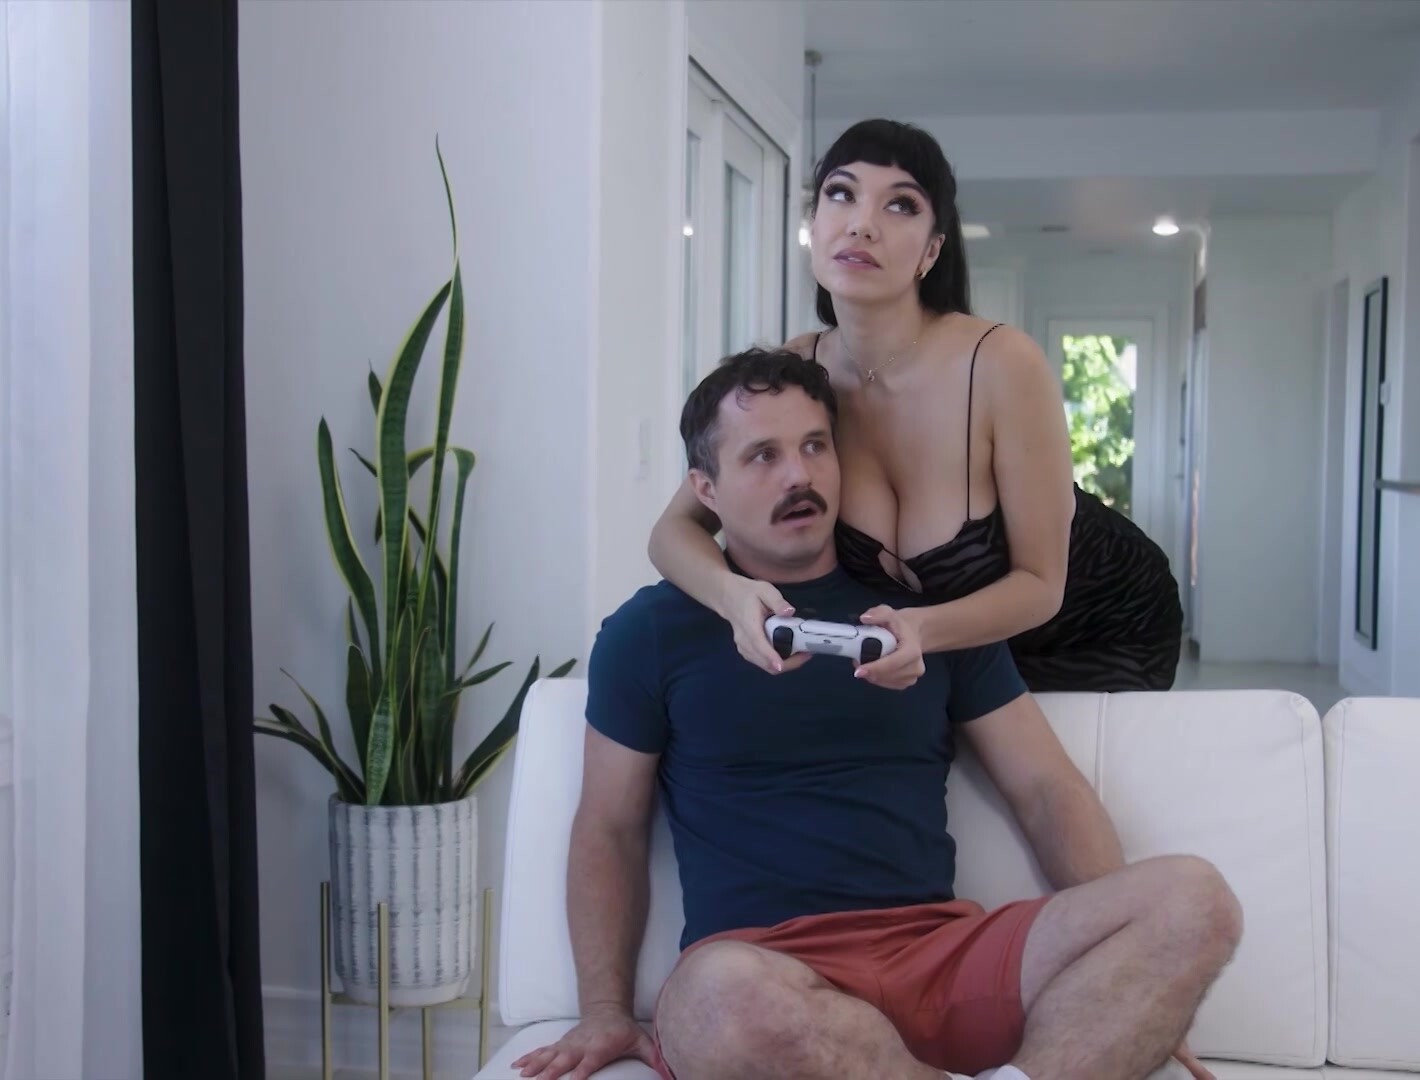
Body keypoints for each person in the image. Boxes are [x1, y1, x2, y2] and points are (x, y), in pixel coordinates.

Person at [514, 350, 1239, 1080]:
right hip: (766, 977)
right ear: (706, 488)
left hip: (943, 957)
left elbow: (1045, 788)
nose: (798, 476)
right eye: (763, 455)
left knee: (1193, 899)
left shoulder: (926, 620)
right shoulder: (650, 633)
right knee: (710, 1001)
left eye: (815, 447)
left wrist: (1123, 974)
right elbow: (607, 827)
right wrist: (603, 1009)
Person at [648, 118, 1183, 694]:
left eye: (900, 205)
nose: (862, 223)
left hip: (1101, 626)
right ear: (813, 225)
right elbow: (673, 531)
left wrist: (919, 630)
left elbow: (1040, 584)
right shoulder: (795, 374)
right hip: (944, 646)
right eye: (841, 194)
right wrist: (732, 596)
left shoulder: (1002, 363)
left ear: (931, 251)